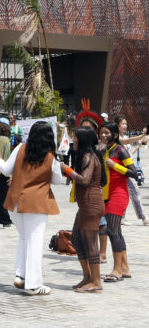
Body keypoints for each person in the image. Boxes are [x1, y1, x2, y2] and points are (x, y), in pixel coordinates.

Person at [0, 120, 66, 295]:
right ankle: (33, 284)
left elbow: (6, 170)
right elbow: (57, 180)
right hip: (36, 203)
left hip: (15, 200)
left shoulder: (20, 148)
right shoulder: (51, 157)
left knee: (24, 238)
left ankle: (20, 275)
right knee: (34, 242)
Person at [60, 126, 105, 292]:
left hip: (91, 205)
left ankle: (96, 281)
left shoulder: (88, 156)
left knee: (90, 243)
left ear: (83, 140)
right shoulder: (86, 155)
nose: (74, 140)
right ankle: (87, 277)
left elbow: (85, 180)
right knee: (77, 239)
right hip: (85, 206)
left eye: (76, 137)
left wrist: (67, 170)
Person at [99, 121, 136, 281]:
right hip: (107, 195)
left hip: (119, 194)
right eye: (102, 132)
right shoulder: (104, 151)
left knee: (112, 231)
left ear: (115, 135)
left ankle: (117, 270)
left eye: (107, 133)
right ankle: (125, 268)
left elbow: (134, 173)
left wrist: (115, 166)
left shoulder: (121, 150)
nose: (103, 135)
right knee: (116, 231)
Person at [116, 115, 147, 225]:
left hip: (128, 170)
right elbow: (126, 141)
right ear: (117, 125)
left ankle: (121, 217)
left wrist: (139, 145)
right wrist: (140, 136)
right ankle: (143, 217)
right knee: (134, 193)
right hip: (122, 170)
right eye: (123, 124)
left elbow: (129, 154)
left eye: (126, 124)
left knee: (127, 194)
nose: (125, 126)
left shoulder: (124, 136)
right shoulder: (116, 138)